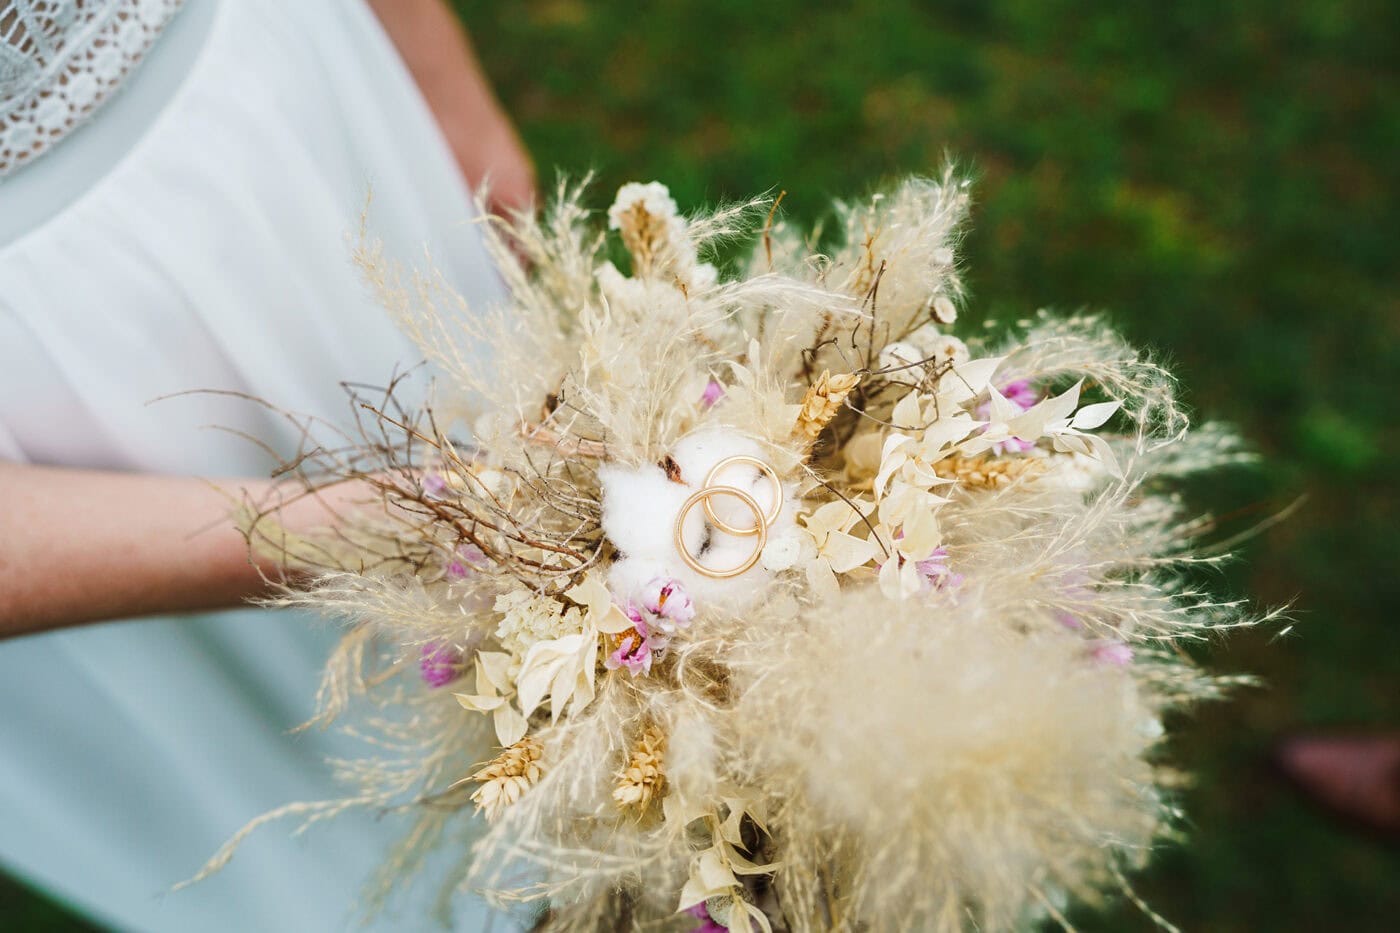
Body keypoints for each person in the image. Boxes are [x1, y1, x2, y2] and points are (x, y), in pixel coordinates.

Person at [0, 0, 533, 929]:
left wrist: (447, 94)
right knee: (314, 787)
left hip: (289, 104)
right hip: (55, 438)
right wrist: (352, 525)